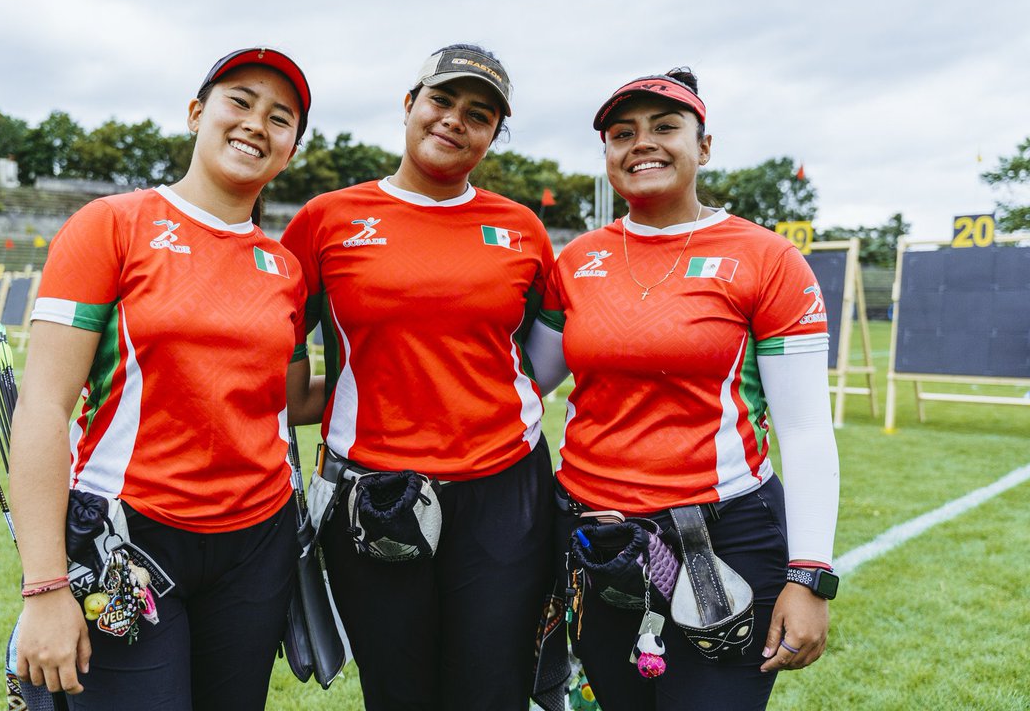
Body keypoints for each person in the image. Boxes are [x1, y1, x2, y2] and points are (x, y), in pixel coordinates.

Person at [8, 47, 323, 710]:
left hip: (256, 546)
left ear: (291, 150)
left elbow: (291, 399)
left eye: (280, 118)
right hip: (128, 536)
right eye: (240, 101)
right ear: (196, 114)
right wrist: (45, 586)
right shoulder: (111, 225)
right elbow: (42, 406)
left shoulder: (285, 268)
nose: (256, 124)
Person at [526, 68, 840, 710]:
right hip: (595, 539)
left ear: (703, 146)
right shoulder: (576, 260)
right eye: (623, 133)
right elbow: (524, 381)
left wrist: (810, 574)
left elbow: (806, 429)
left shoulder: (768, 259)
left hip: (722, 538)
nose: (642, 143)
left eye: (665, 127)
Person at [280, 44, 556, 710]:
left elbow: (537, 358)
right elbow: (280, 360)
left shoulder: (520, 229)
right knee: (399, 693)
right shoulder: (325, 220)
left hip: (505, 489)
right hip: (375, 491)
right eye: (442, 100)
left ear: (494, 134)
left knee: (494, 691)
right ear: (409, 104)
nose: (456, 119)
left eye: (480, 114)